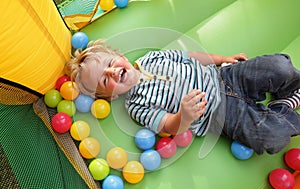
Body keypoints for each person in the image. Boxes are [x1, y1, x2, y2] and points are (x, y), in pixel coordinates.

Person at [67, 40, 300, 155]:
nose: (112, 72)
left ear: (120, 57)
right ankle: (284, 106)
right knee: (272, 139)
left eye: (109, 64)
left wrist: (222, 58)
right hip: (222, 115)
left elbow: (191, 56)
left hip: (227, 77)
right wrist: (184, 115)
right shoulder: (135, 106)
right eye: (105, 81)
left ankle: (291, 88)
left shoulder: (151, 58)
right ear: (110, 97)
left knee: (279, 67)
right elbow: (170, 126)